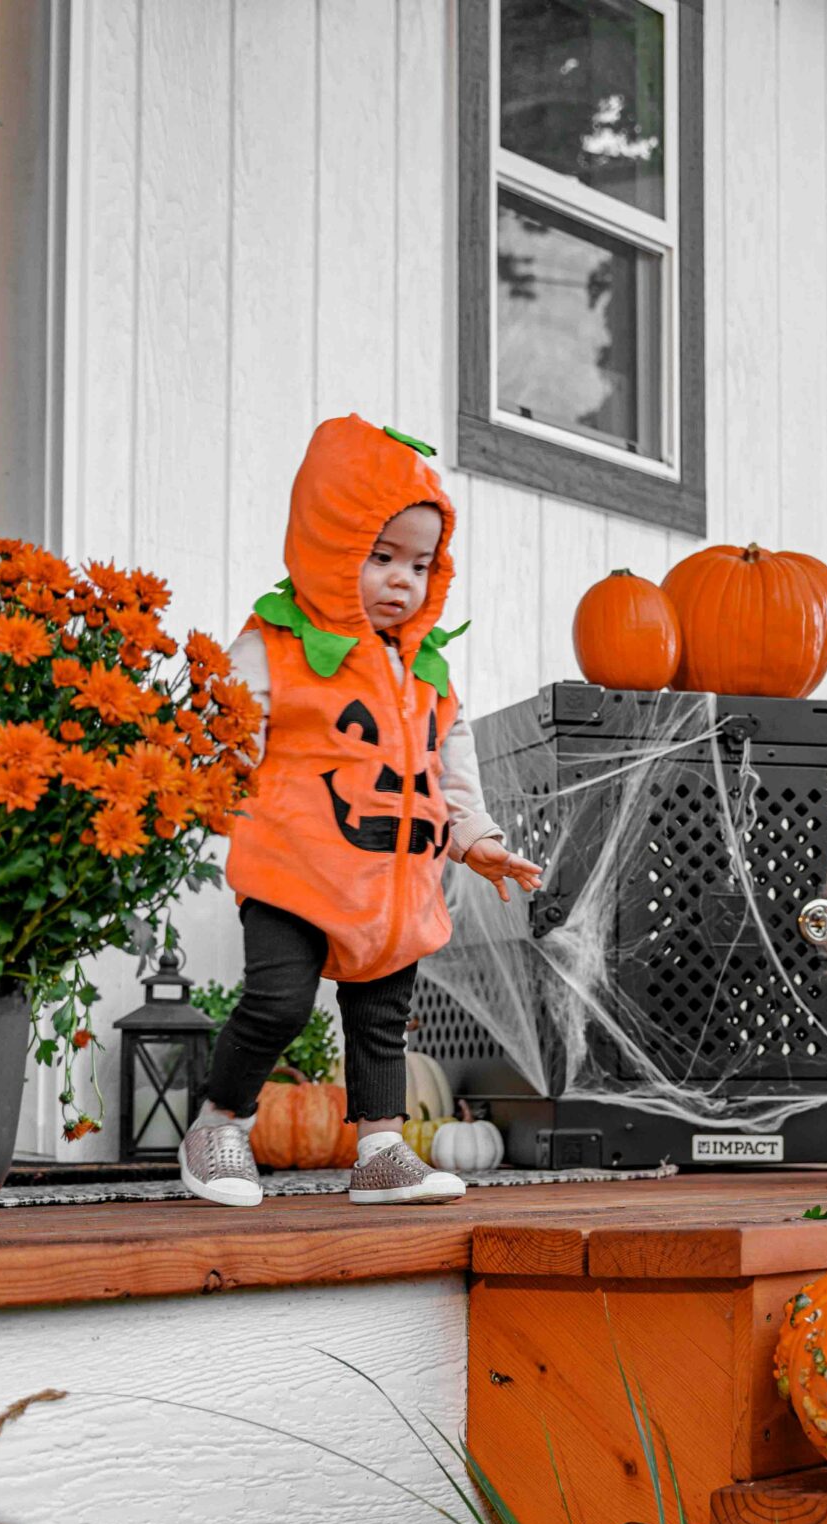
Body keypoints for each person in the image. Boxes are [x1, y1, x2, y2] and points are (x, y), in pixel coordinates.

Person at [179, 415, 542, 1207]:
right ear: (327, 545)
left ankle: (380, 1150)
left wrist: (475, 839)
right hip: (295, 870)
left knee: (383, 1021)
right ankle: (217, 1124)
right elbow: (232, 720)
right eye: (380, 558)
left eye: (419, 563)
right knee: (276, 1002)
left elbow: (451, 767)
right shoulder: (274, 643)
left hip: (392, 884)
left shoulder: (427, 669)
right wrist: (214, 781)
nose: (401, 581)